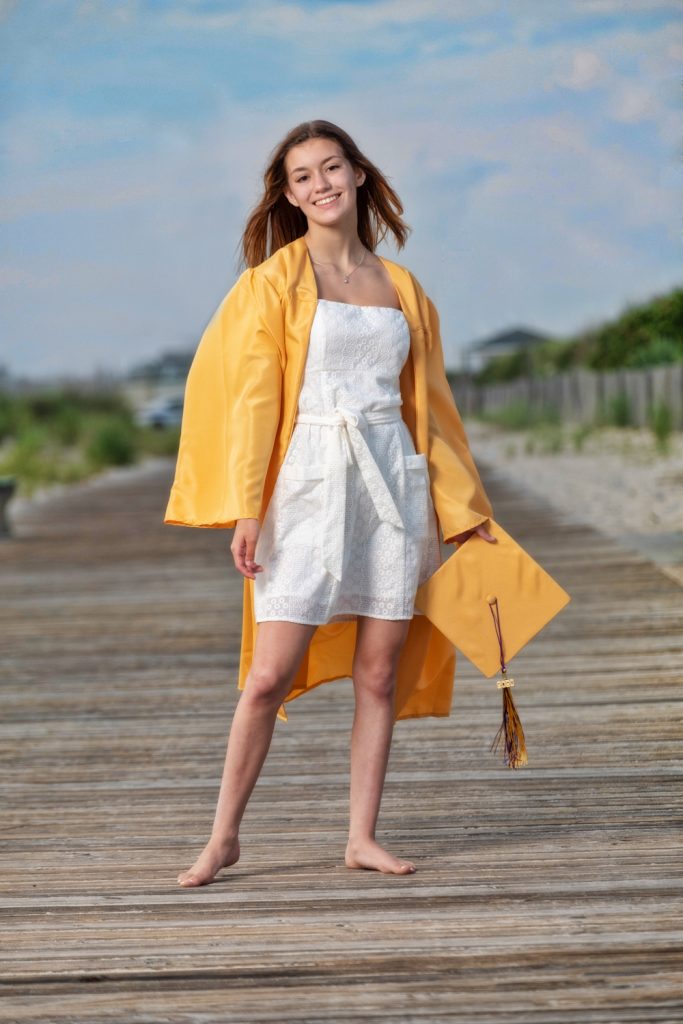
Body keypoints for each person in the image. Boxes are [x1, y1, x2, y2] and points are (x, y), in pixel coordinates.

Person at [164, 119, 496, 886]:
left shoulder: (401, 288)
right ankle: (223, 837)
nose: (320, 184)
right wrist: (248, 506)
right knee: (267, 676)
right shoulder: (272, 282)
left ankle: (361, 837)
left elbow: (432, 412)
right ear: (288, 194)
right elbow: (250, 399)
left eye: (331, 167)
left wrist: (462, 507)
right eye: (302, 175)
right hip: (308, 481)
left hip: (391, 481)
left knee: (378, 672)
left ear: (358, 173)